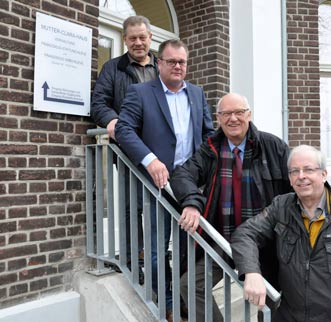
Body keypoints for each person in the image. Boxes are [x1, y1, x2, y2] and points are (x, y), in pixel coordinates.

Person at [231, 145, 331, 322]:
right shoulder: (281, 207)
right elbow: (246, 233)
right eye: (294, 171)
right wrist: (251, 271)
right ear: (290, 179)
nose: (301, 176)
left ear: (323, 174)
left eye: (308, 169)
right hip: (290, 316)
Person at [115, 39, 215, 321]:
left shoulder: (197, 93)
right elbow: (124, 129)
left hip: (190, 185)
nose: (177, 66)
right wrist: (150, 160)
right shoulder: (140, 92)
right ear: (159, 63)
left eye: (182, 62)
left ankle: (182, 296)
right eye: (171, 61)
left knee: (185, 247)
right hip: (158, 185)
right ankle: (168, 299)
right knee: (158, 250)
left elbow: (208, 136)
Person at [170, 93, 292, 322]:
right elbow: (182, 175)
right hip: (224, 238)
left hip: (265, 240)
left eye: (238, 112)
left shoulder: (272, 146)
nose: (232, 119)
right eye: (226, 114)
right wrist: (192, 203)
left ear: (249, 115)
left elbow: (297, 180)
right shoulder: (211, 148)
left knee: (273, 298)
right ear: (218, 118)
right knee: (190, 285)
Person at [90, 15, 158, 284]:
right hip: (129, 148)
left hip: (160, 148)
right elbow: (98, 104)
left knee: (158, 204)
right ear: (124, 39)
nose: (138, 42)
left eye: (142, 37)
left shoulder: (161, 66)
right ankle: (133, 259)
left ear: (150, 37)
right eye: (132, 38)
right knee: (133, 206)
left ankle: (156, 257)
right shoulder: (113, 68)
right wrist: (112, 121)